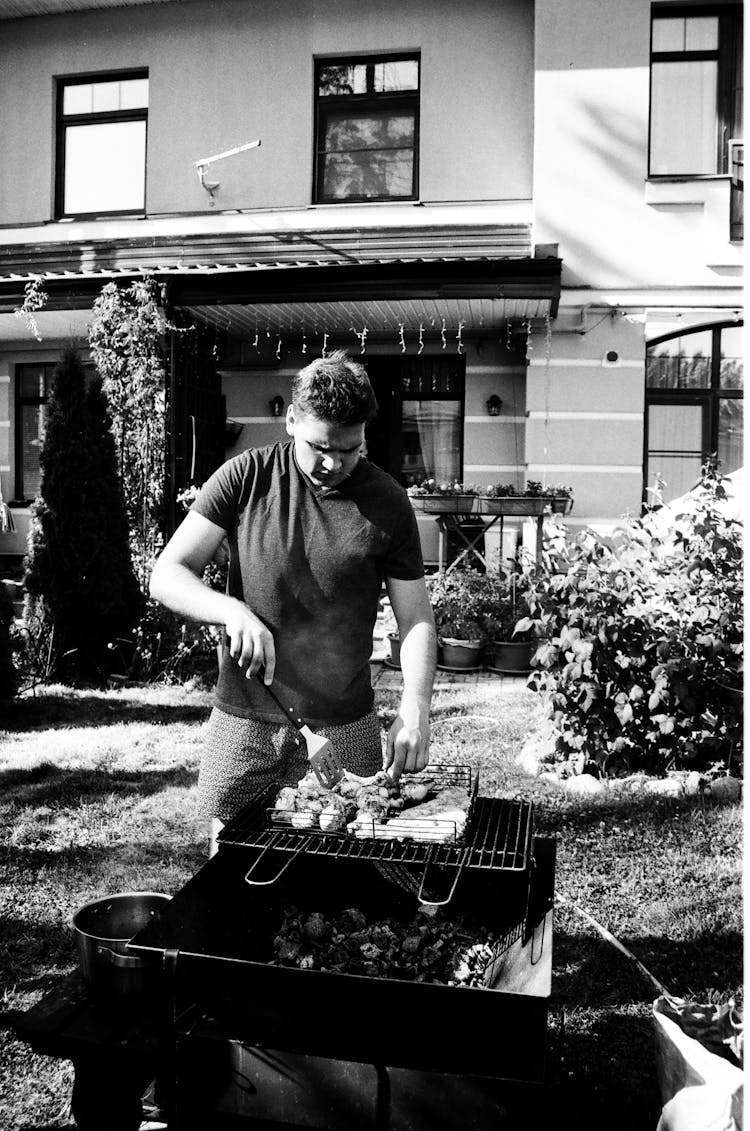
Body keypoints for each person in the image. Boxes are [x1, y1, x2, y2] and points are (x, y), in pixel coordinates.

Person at [149, 349, 437, 852]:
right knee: (229, 865)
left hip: (346, 723)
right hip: (243, 718)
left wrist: (415, 707)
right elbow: (168, 574)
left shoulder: (388, 501)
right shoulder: (243, 478)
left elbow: (415, 617)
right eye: (319, 446)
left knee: (350, 866)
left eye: (350, 450)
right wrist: (230, 609)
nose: (333, 464)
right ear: (290, 420)